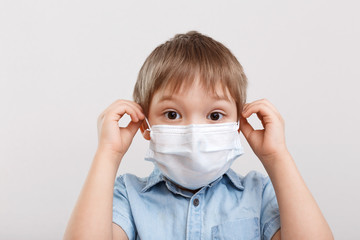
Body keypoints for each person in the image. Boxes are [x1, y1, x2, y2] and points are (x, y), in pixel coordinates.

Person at [64, 31, 333, 240]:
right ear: (145, 125)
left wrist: (277, 156)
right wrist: (107, 154)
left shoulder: (259, 193)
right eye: (172, 114)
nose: (194, 134)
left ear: (238, 123)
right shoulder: (128, 195)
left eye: (215, 116)